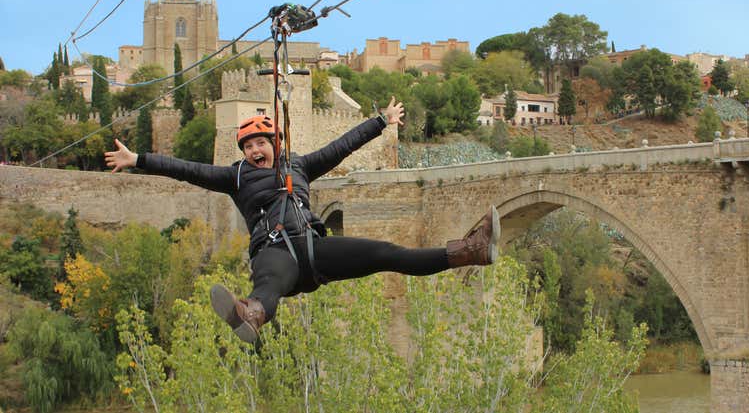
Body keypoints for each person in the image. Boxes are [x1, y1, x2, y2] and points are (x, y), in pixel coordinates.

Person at [105, 97, 500, 344]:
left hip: (314, 248)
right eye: (248, 146)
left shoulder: (299, 166)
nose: (255, 150)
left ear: (274, 145)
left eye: (261, 143)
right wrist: (138, 159)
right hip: (275, 251)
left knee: (387, 253)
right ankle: (252, 314)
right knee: (268, 285)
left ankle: (470, 251)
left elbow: (341, 147)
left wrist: (381, 122)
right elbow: (185, 170)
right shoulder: (235, 177)